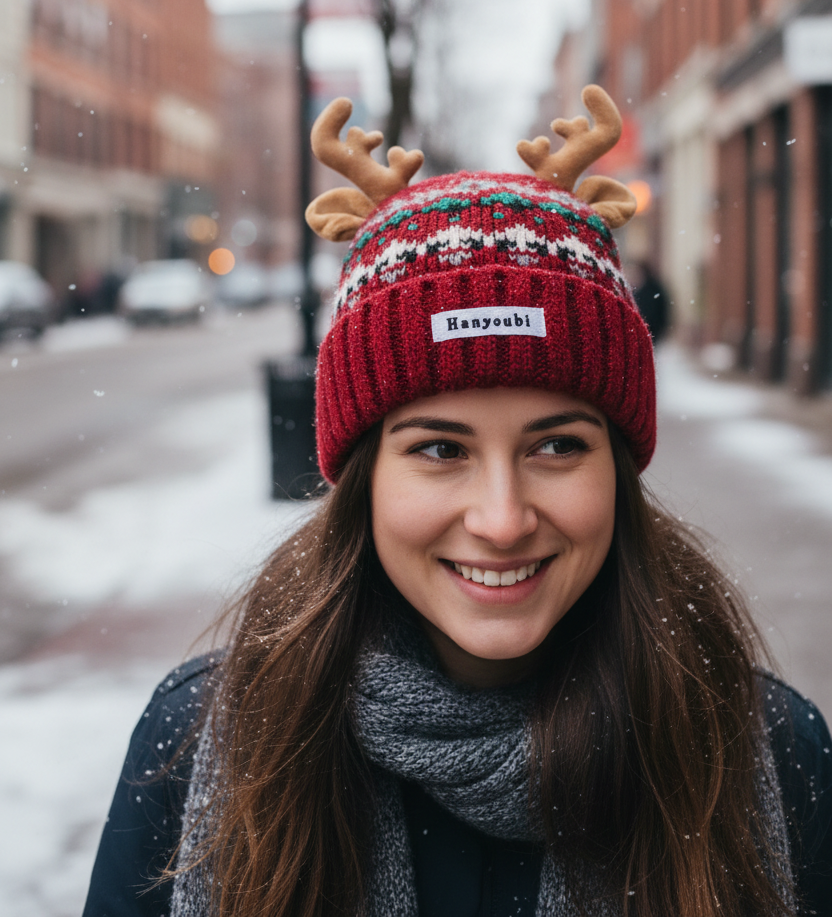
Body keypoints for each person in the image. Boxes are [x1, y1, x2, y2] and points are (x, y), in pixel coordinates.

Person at [83, 87, 832, 917]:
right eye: (441, 450)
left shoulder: (766, 750)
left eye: (557, 446)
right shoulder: (200, 744)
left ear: (618, 467)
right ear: (362, 476)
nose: (502, 519)